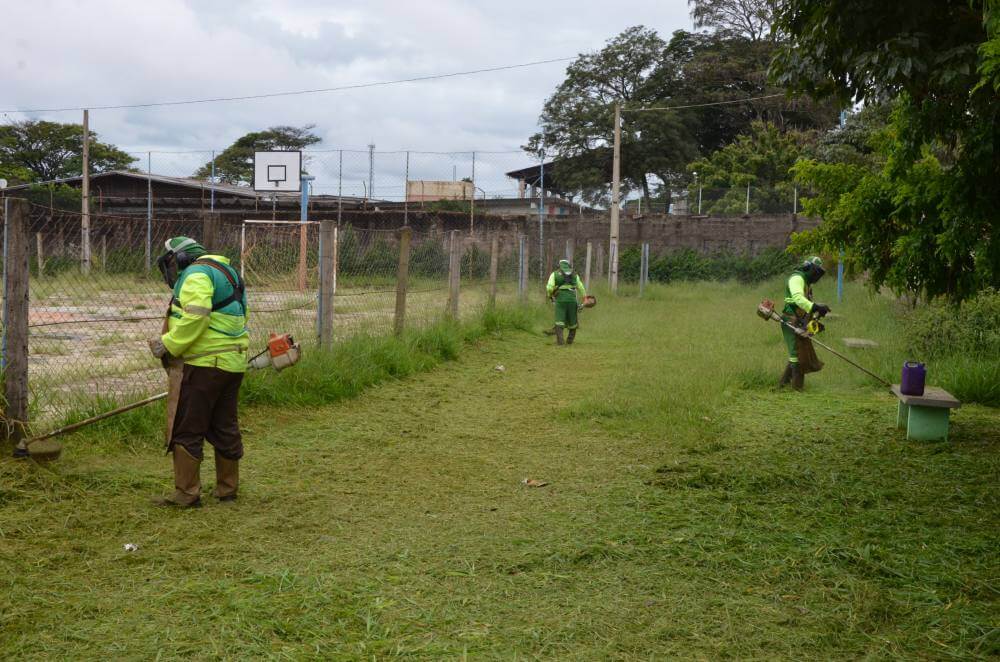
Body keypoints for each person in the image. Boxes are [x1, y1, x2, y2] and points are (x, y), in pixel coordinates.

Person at [148, 236, 249, 507]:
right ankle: (227, 489)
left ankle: (186, 493)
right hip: (232, 364)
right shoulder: (228, 273)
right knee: (224, 425)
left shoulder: (195, 274)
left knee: (187, 427)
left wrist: (167, 344)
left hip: (203, 364)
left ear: (180, 259)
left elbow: (197, 315)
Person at [779, 256, 830, 390]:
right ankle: (797, 389)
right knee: (797, 354)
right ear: (809, 268)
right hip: (790, 319)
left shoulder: (807, 284)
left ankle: (783, 385)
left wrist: (818, 312)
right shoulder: (797, 278)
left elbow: (806, 305)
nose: (816, 276)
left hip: (800, 321)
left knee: (798, 353)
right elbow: (797, 299)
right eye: (816, 272)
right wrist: (815, 307)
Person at [545, 259, 587, 346]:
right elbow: (581, 288)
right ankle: (570, 341)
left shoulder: (555, 274)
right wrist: (584, 299)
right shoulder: (575, 275)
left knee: (559, 320)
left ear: (560, 265)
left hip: (560, 300)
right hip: (572, 300)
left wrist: (550, 295)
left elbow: (549, 288)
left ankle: (560, 342)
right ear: (568, 265)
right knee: (573, 320)